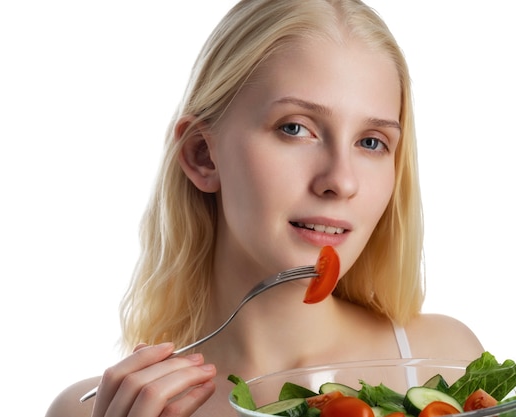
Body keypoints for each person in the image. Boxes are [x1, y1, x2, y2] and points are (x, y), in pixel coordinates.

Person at [46, 0, 483, 416]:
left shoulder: (449, 365)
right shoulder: (90, 410)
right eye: (295, 128)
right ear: (202, 155)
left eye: (371, 142)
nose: (341, 181)